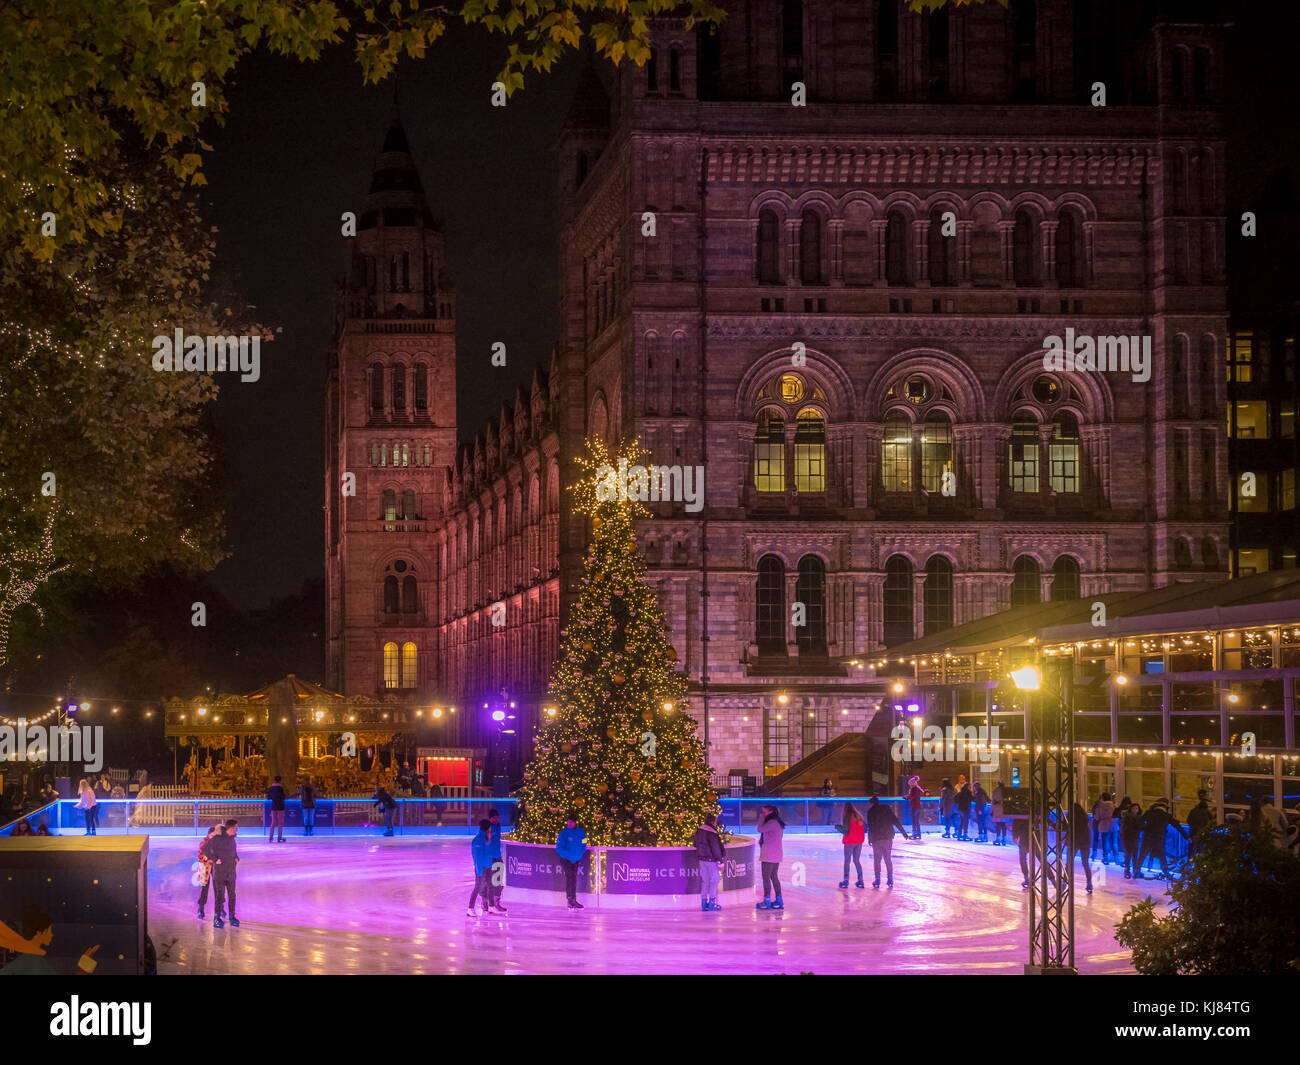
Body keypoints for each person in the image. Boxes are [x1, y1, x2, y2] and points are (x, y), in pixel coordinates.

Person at [202, 820, 241, 928]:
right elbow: (204, 848)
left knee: (232, 895)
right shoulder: (217, 838)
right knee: (220, 896)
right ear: (231, 828)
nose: (237, 829)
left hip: (231, 872)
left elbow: (233, 851)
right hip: (220, 873)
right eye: (236, 827)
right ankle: (217, 918)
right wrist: (214, 859)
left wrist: (236, 857)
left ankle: (232, 916)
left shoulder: (232, 839)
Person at [1136, 799, 1186, 880]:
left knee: (1142, 855)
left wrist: (1146, 828)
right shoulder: (1166, 815)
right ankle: (1166, 872)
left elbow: (1139, 823)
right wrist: (1186, 836)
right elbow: (1177, 826)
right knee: (1162, 856)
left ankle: (1136, 871)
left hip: (1147, 837)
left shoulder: (1149, 813)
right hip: (1159, 838)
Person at [866, 796, 908, 888]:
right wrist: (904, 833)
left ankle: (877, 879)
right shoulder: (886, 809)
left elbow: (870, 826)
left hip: (877, 838)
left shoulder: (870, 812)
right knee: (887, 859)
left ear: (871, 803)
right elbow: (895, 821)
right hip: (888, 837)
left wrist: (870, 838)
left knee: (877, 860)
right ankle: (890, 879)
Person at [693, 813, 726, 911]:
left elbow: (695, 843)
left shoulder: (699, 831)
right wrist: (720, 860)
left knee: (705, 881)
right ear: (713, 821)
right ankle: (712, 903)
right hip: (711, 860)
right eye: (715, 821)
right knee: (715, 880)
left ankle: (703, 903)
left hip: (701, 859)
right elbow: (715, 848)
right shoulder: (712, 833)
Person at [755, 804, 786, 909]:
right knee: (773, 877)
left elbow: (760, 829)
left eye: (764, 812)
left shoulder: (772, 822)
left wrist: (761, 818)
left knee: (766, 877)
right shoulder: (777, 822)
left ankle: (767, 900)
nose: (762, 814)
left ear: (771, 812)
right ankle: (779, 899)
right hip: (775, 854)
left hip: (769, 855)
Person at [555, 814, 588, 909]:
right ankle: (570, 899)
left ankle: (573, 899)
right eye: (568, 821)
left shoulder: (581, 832)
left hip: (576, 859)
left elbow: (584, 843)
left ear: (575, 822)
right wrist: (568, 856)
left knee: (573, 879)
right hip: (566, 860)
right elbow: (559, 848)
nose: (570, 823)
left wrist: (579, 854)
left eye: (572, 821)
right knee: (570, 878)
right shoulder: (563, 833)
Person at [467, 819, 495, 916]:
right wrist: (479, 871)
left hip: (488, 866)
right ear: (487, 828)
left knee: (490, 885)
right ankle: (470, 908)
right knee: (477, 887)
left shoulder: (486, 838)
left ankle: (491, 906)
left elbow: (488, 853)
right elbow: (477, 858)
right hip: (481, 868)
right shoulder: (478, 840)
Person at [836, 802, 865, 889]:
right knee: (856, 860)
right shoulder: (859, 816)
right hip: (859, 841)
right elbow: (864, 828)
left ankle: (846, 880)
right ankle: (860, 880)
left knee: (847, 861)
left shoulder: (847, 816)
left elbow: (846, 831)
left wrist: (838, 827)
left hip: (850, 841)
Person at [1067, 803, 1093, 893]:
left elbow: (1065, 827)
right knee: (1085, 863)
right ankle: (1089, 882)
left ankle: (1064, 881)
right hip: (1085, 841)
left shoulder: (1071, 818)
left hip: (1074, 841)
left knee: (1069, 863)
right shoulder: (1085, 818)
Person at [196, 824, 220, 919]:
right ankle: (201, 908)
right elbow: (200, 857)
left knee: (217, 888)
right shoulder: (203, 843)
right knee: (204, 889)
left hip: (215, 868)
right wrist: (209, 860)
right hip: (204, 869)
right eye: (213, 835)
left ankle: (220, 908)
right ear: (209, 834)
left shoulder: (216, 843)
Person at [485, 808, 506, 913]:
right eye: (494, 818)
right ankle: (487, 903)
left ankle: (496, 902)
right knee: (491, 882)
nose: (496, 820)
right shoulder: (487, 828)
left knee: (500, 881)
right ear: (490, 818)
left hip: (498, 857)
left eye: (497, 818)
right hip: (490, 859)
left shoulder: (498, 826)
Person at [1120, 800, 1144, 879]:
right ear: (1130, 809)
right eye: (1134, 808)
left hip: (1134, 837)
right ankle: (1128, 870)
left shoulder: (1138, 817)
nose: (1135, 810)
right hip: (1128, 837)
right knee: (1129, 854)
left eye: (1136, 808)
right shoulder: (1128, 817)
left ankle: (1134, 870)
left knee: (1134, 854)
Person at [1185, 790, 1213, 857]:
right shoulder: (1206, 812)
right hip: (1201, 833)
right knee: (1200, 850)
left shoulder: (1193, 811)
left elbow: (1188, 821)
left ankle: (1189, 864)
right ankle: (1199, 865)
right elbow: (1210, 820)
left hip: (1193, 832)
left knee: (1191, 849)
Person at [1091, 792, 1115, 863]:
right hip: (1110, 824)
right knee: (1107, 841)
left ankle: (1094, 855)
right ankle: (1108, 857)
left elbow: (1096, 816)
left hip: (1100, 823)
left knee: (1096, 839)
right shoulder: (1112, 805)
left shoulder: (1099, 805)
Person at [266, 775, 287, 842]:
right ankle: (279, 837)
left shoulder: (271, 788)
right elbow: (283, 797)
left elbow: (268, 797)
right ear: (280, 780)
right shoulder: (281, 788)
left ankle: (271, 837)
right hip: (280, 806)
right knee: (280, 823)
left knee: (273, 822)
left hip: (274, 806)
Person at [1011, 817, 1031, 889]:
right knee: (1024, 859)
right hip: (1032, 837)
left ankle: (1027, 878)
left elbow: (1015, 823)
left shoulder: (1019, 813)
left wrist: (1015, 836)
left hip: (1024, 838)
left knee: (1023, 859)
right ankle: (1027, 878)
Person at [906, 776, 926, 840]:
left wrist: (906, 797)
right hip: (918, 806)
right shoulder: (918, 789)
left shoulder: (913, 789)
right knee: (917, 821)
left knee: (914, 821)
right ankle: (918, 834)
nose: (909, 785)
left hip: (914, 806)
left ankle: (914, 835)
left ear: (912, 783)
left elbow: (912, 797)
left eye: (910, 784)